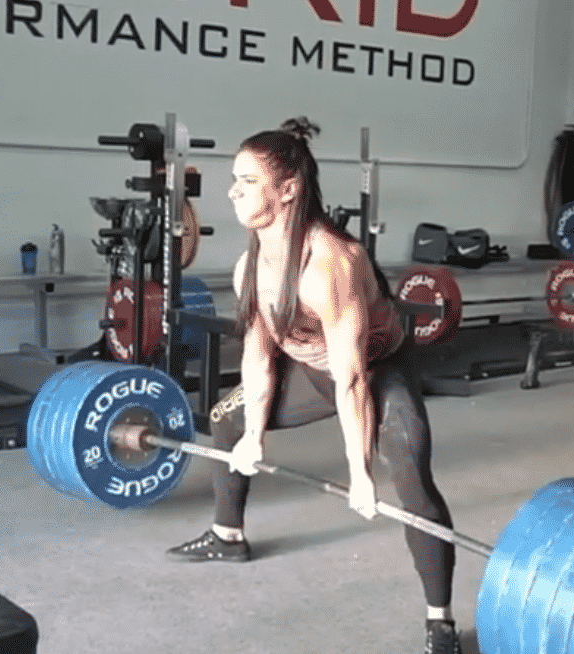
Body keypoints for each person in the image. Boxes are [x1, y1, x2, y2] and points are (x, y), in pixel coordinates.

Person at [167, 118, 462, 654]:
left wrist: (360, 474)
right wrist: (254, 435)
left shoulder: (331, 264)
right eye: (234, 178)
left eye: (247, 181)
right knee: (226, 419)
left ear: (288, 190)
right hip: (311, 371)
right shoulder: (248, 265)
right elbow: (258, 353)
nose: (231, 190)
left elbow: (352, 379)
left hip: (376, 372)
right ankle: (228, 535)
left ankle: (439, 619)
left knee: (412, 475)